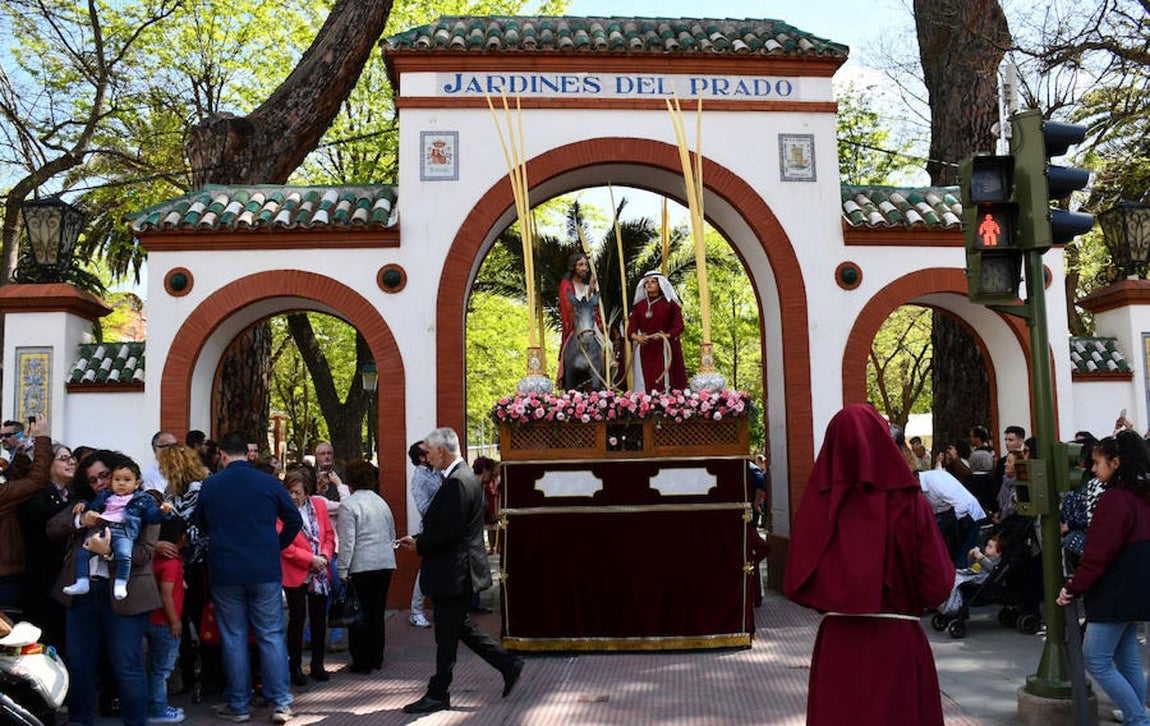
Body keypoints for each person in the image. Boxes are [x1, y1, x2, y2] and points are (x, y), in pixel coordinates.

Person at [783, 405, 953, 726]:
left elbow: (797, 582)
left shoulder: (817, 507)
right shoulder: (911, 504)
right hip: (898, 644)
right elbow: (938, 585)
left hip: (839, 644)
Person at [396, 427, 524, 715]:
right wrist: (419, 540)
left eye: (428, 452)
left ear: (441, 451)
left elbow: (450, 532)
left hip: (453, 570)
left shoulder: (456, 481)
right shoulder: (463, 476)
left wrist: (419, 544)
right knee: (456, 628)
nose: (426, 459)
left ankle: (439, 692)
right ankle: (506, 665)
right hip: (457, 569)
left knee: (447, 633)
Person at [48, 449, 162, 726]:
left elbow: (145, 553)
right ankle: (79, 720)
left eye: (104, 476)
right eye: (92, 480)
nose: (99, 483)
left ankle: (136, 722)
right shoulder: (88, 504)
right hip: (84, 595)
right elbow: (52, 527)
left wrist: (110, 551)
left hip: (126, 595)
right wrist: (80, 519)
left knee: (127, 666)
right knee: (79, 664)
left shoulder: (143, 504)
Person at [193, 432, 301, 724]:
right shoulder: (268, 482)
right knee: (271, 635)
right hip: (264, 568)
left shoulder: (211, 485)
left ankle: (238, 704)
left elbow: (199, 524)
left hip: (226, 569)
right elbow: (294, 519)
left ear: (223, 456)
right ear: (247, 454)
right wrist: (275, 545)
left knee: (234, 637)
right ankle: (280, 702)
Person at [1058, 431, 1150, 726]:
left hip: (1114, 591)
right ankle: (1136, 712)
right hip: (1137, 589)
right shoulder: (1142, 495)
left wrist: (1073, 586)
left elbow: (1097, 554)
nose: (1093, 469)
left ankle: (1138, 718)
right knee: (1127, 657)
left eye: (1097, 462)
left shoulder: (1114, 500)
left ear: (1116, 462)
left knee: (1095, 658)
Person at [64, 459, 174, 601]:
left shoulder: (143, 499)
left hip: (124, 533)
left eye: (127, 480)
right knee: (83, 553)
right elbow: (93, 506)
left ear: (137, 483)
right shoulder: (106, 497)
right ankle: (82, 581)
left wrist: (163, 512)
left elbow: (152, 518)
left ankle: (121, 583)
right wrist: (84, 506)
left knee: (124, 554)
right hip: (104, 530)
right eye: (117, 479)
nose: (121, 483)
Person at [336, 460, 396, 674]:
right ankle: (377, 656)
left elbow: (347, 541)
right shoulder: (381, 502)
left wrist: (342, 570)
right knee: (377, 612)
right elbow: (392, 534)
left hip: (361, 565)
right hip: (385, 563)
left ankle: (362, 660)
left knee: (359, 614)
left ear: (350, 481)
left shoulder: (349, 505)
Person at [280, 468, 335, 685]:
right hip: (296, 571)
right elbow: (284, 546)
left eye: (297, 492)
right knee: (297, 618)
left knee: (320, 618)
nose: (293, 496)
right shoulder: (281, 512)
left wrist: (324, 555)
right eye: (290, 492)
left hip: (319, 571)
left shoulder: (319, 506)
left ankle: (317, 664)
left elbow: (329, 535)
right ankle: (294, 666)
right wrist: (309, 559)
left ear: (306, 491)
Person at [19, 441, 74, 652]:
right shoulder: (36, 496)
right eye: (63, 458)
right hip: (43, 580)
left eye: (72, 458)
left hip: (64, 579)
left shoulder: (72, 494)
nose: (70, 462)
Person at [0, 416, 51, 615]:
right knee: (9, 634)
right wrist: (43, 439)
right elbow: (37, 480)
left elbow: (13, 484)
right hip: (4, 574)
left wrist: (20, 458)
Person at [145, 516, 186, 723]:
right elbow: (166, 594)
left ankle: (155, 704)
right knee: (162, 669)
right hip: (165, 623)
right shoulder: (171, 563)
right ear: (180, 539)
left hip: (151, 619)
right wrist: (175, 621)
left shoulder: (154, 558)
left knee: (154, 666)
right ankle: (158, 708)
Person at [626, 271, 688, 392]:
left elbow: (679, 326)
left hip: (665, 347)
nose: (649, 284)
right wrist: (636, 337)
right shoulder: (639, 306)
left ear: (660, 284)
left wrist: (666, 335)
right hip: (645, 348)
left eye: (653, 282)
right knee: (644, 380)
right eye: (647, 282)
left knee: (666, 380)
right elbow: (631, 328)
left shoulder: (670, 305)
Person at [408, 441, 440, 629]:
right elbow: (423, 507)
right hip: (431, 528)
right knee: (426, 569)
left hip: (440, 527)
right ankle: (416, 611)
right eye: (427, 451)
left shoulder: (434, 471)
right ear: (421, 458)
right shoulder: (419, 477)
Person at [557, 251, 599, 389]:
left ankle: (606, 370)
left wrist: (591, 290)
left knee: (608, 345)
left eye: (586, 265)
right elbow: (568, 305)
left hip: (590, 325)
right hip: (577, 325)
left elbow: (592, 307)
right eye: (580, 264)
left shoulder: (587, 287)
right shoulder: (566, 284)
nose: (584, 268)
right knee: (569, 347)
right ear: (573, 267)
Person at [939, 534, 1002, 615]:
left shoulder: (995, 560)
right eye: (987, 545)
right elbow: (971, 565)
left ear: (998, 553)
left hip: (980, 579)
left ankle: (953, 605)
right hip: (973, 573)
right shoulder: (984, 557)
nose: (986, 548)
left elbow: (992, 568)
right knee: (951, 575)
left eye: (990, 547)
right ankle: (947, 602)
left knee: (956, 580)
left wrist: (982, 558)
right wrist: (971, 555)